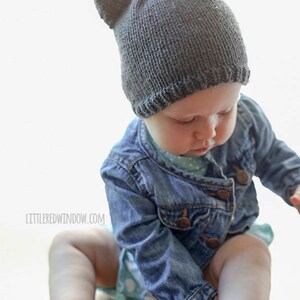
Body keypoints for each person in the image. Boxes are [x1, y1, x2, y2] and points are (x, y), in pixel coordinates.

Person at [48, 0, 300, 299]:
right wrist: (188, 294)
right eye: (187, 119)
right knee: (69, 243)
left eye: (225, 110)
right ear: (145, 111)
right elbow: (145, 244)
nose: (208, 131)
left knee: (250, 251)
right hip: (145, 264)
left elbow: (273, 155)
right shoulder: (125, 169)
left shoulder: (246, 120)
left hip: (217, 259)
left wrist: (294, 182)